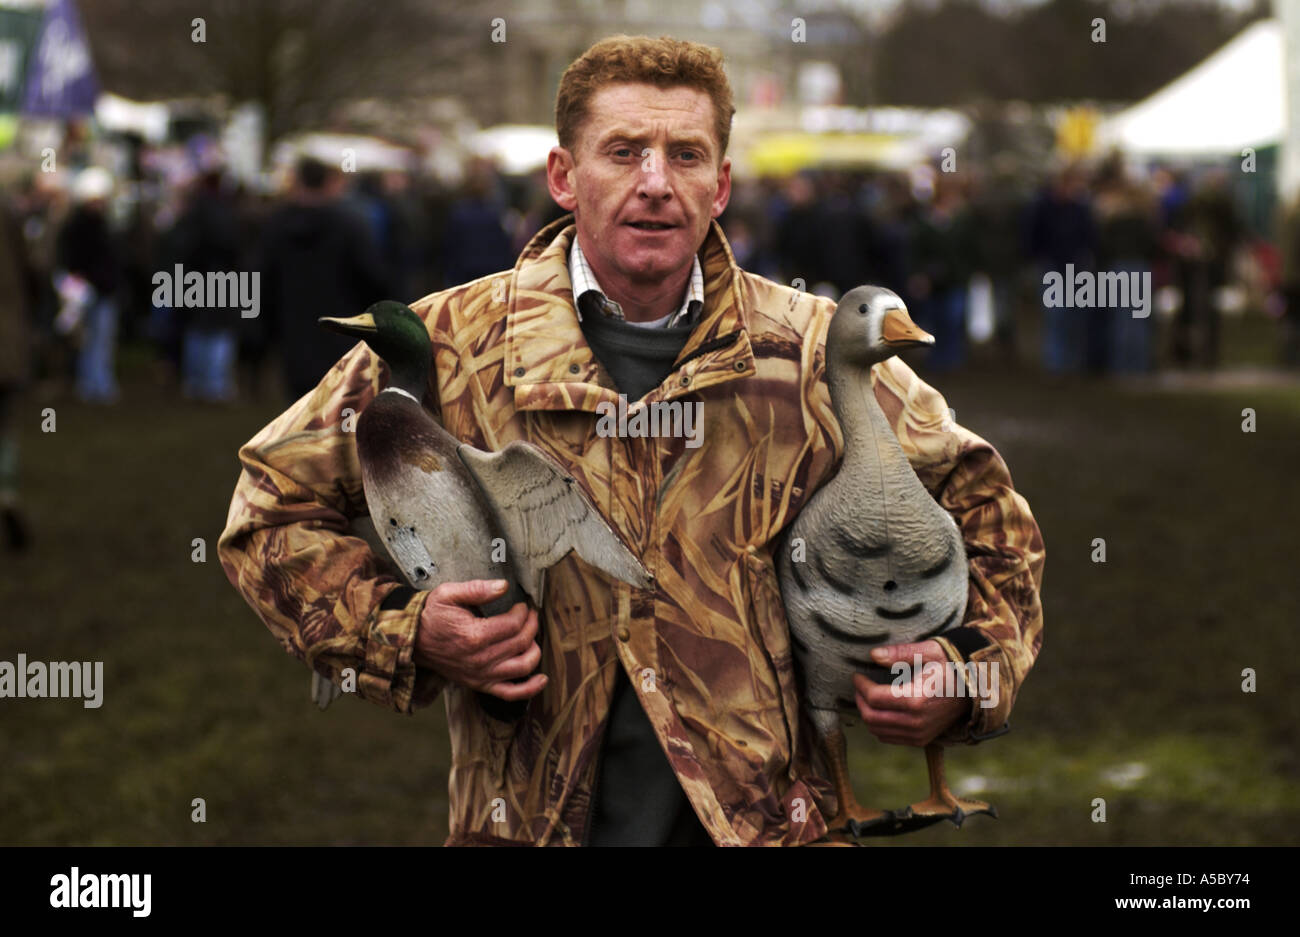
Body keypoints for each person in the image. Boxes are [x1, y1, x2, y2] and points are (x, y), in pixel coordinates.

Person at [218, 35, 1045, 846]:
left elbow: (987, 509)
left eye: (685, 156)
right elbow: (268, 506)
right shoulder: (449, 346)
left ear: (720, 186)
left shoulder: (816, 353)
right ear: (563, 177)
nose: (655, 183)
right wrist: (403, 628)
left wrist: (966, 670)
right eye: (623, 152)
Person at [253, 156, 391, 401]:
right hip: (342, 329)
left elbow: (262, 281)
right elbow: (374, 279)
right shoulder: (350, 225)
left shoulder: (275, 226)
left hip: (293, 331)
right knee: (340, 409)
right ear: (328, 182)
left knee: (300, 412)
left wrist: (264, 332)